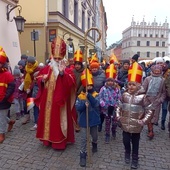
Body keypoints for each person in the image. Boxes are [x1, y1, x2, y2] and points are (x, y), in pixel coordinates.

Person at [35, 36, 77, 150]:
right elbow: (38, 78)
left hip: (60, 103)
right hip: (47, 101)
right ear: (52, 57)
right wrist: (42, 79)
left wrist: (63, 74)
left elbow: (72, 83)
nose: (57, 61)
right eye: (56, 58)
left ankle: (59, 142)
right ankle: (47, 140)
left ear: (63, 57)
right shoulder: (47, 68)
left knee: (58, 122)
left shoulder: (67, 70)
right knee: (47, 121)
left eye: (59, 58)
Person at [116, 62, 153, 169]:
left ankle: (135, 159)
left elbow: (150, 110)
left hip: (137, 125)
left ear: (138, 85)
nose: (131, 87)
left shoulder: (143, 97)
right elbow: (119, 106)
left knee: (135, 143)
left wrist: (143, 121)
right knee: (126, 141)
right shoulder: (124, 95)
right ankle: (127, 152)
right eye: (129, 84)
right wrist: (118, 116)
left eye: (134, 84)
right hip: (125, 124)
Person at [75, 68, 100, 167]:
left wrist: (89, 97)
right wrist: (82, 106)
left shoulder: (96, 94)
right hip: (84, 120)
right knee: (83, 138)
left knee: (94, 135)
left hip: (93, 119)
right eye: (87, 86)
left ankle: (94, 143)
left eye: (90, 85)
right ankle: (83, 154)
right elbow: (78, 108)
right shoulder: (81, 96)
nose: (89, 87)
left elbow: (96, 104)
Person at [142, 64, 166, 139]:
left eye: (158, 71)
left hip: (156, 101)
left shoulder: (163, 80)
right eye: (155, 70)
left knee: (154, 117)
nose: (156, 72)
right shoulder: (148, 79)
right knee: (148, 116)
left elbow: (164, 92)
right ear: (153, 70)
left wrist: (160, 100)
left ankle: (150, 129)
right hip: (148, 100)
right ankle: (150, 131)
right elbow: (143, 89)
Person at [99, 63, 121, 142]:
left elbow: (119, 98)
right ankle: (107, 134)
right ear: (106, 81)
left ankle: (114, 131)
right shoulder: (103, 89)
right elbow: (100, 97)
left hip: (114, 109)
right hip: (106, 109)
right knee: (107, 122)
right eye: (109, 81)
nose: (110, 82)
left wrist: (117, 105)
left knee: (114, 122)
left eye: (112, 81)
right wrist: (103, 104)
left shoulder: (117, 89)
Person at [0, 48, 15, 143]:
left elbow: (11, 87)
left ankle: (2, 134)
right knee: (1, 116)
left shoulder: (7, 74)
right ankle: (10, 121)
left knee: (1, 116)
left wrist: (5, 97)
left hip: (4, 100)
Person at [89, 58, 106, 132]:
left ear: (98, 68)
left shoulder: (102, 75)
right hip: (91, 95)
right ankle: (93, 124)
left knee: (101, 111)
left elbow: (105, 84)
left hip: (100, 95)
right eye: (93, 68)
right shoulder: (88, 75)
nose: (94, 69)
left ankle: (100, 124)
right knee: (93, 111)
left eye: (96, 68)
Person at [21, 56, 39, 124]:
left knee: (33, 103)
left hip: (33, 88)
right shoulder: (26, 68)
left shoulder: (37, 69)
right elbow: (25, 75)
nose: (29, 64)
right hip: (26, 87)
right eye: (28, 63)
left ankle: (36, 119)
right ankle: (27, 116)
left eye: (30, 63)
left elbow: (35, 80)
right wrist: (23, 78)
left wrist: (30, 88)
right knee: (25, 102)